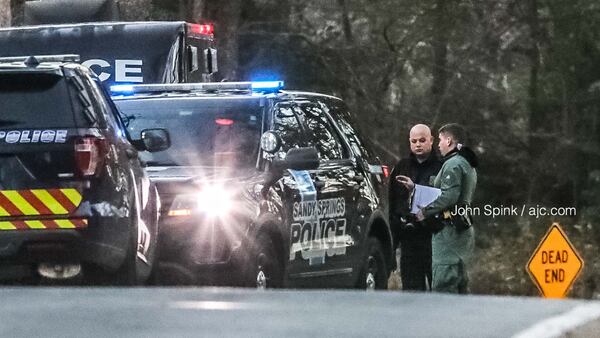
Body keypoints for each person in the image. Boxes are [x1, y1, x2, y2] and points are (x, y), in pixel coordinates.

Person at [413, 123, 478, 294]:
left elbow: (449, 196)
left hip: (449, 233)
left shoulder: (453, 164)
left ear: (449, 141)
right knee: (461, 284)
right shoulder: (466, 163)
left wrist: (424, 211)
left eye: (440, 140)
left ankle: (444, 320)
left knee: (443, 285)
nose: (438, 145)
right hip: (462, 231)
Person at [389, 124, 442, 291]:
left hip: (434, 237)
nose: (418, 144)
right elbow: (393, 204)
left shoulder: (442, 167)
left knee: (439, 289)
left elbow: (446, 200)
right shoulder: (402, 167)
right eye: (414, 141)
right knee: (411, 292)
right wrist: (392, 244)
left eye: (422, 140)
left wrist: (417, 190)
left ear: (431, 140)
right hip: (408, 237)